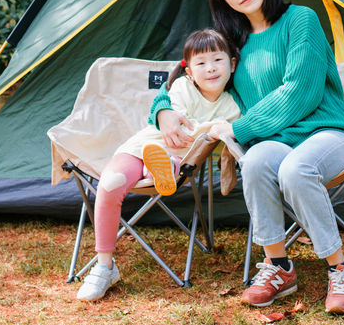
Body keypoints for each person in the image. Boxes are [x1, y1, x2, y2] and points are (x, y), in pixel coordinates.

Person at [151, 0, 344, 315]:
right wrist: (164, 111)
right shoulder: (231, 43)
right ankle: (279, 267)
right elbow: (186, 74)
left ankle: (340, 270)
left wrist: (237, 127)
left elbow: (301, 90)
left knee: (296, 170)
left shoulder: (301, 20)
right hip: (276, 141)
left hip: (327, 132)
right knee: (255, 163)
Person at [76, 28, 239, 301]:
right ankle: (104, 266)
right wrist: (212, 127)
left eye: (217, 60)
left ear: (232, 64)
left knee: (171, 162)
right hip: (142, 147)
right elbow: (182, 126)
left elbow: (226, 137)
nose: (210, 69)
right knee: (110, 183)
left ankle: (162, 169)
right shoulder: (182, 88)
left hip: (183, 159)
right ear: (189, 71)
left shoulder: (232, 105)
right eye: (201, 63)